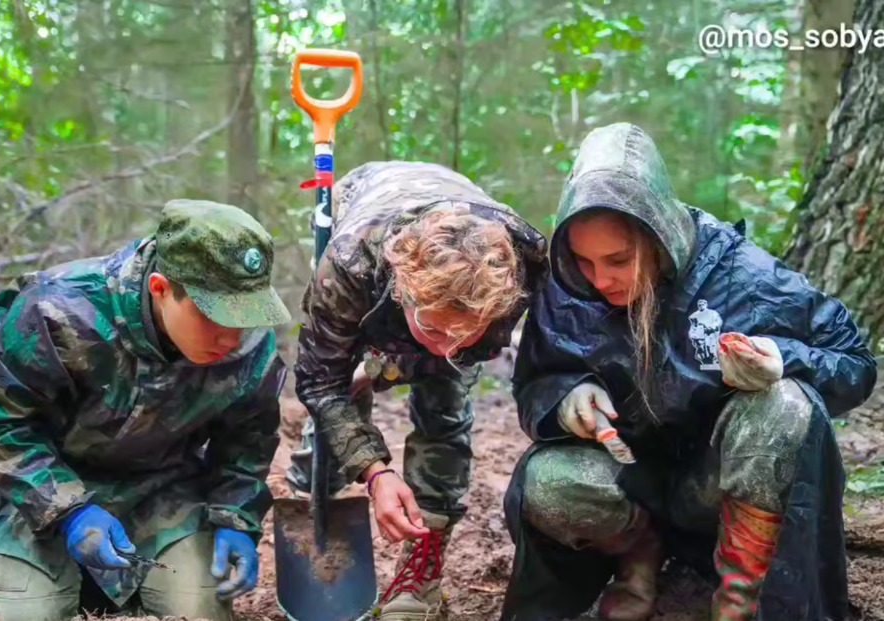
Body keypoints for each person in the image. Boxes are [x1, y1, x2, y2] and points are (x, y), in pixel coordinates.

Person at [499, 122, 878, 621]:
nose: (601, 279)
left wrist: (782, 358)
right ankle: (641, 560)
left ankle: (740, 598)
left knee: (785, 403)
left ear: (660, 235)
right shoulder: (567, 286)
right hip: (627, 480)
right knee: (545, 482)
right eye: (584, 261)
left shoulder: (740, 274)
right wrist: (566, 396)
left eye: (618, 259)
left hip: (722, 484)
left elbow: (855, 361)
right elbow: (534, 384)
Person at [0, 199, 292, 621]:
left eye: (244, 316)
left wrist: (235, 517)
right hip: (38, 494)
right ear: (160, 288)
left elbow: (248, 440)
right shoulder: (55, 310)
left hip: (163, 494)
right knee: (28, 613)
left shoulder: (248, 344)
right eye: (215, 316)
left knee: (200, 609)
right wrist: (68, 510)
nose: (231, 336)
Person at [287, 161, 550, 620]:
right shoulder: (350, 266)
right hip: (367, 207)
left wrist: (447, 342)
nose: (447, 345)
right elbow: (317, 379)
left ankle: (422, 569)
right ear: (402, 292)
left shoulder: (530, 264)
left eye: (462, 332)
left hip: (462, 242)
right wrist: (375, 472)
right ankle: (321, 471)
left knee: (445, 406)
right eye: (433, 327)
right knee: (340, 391)